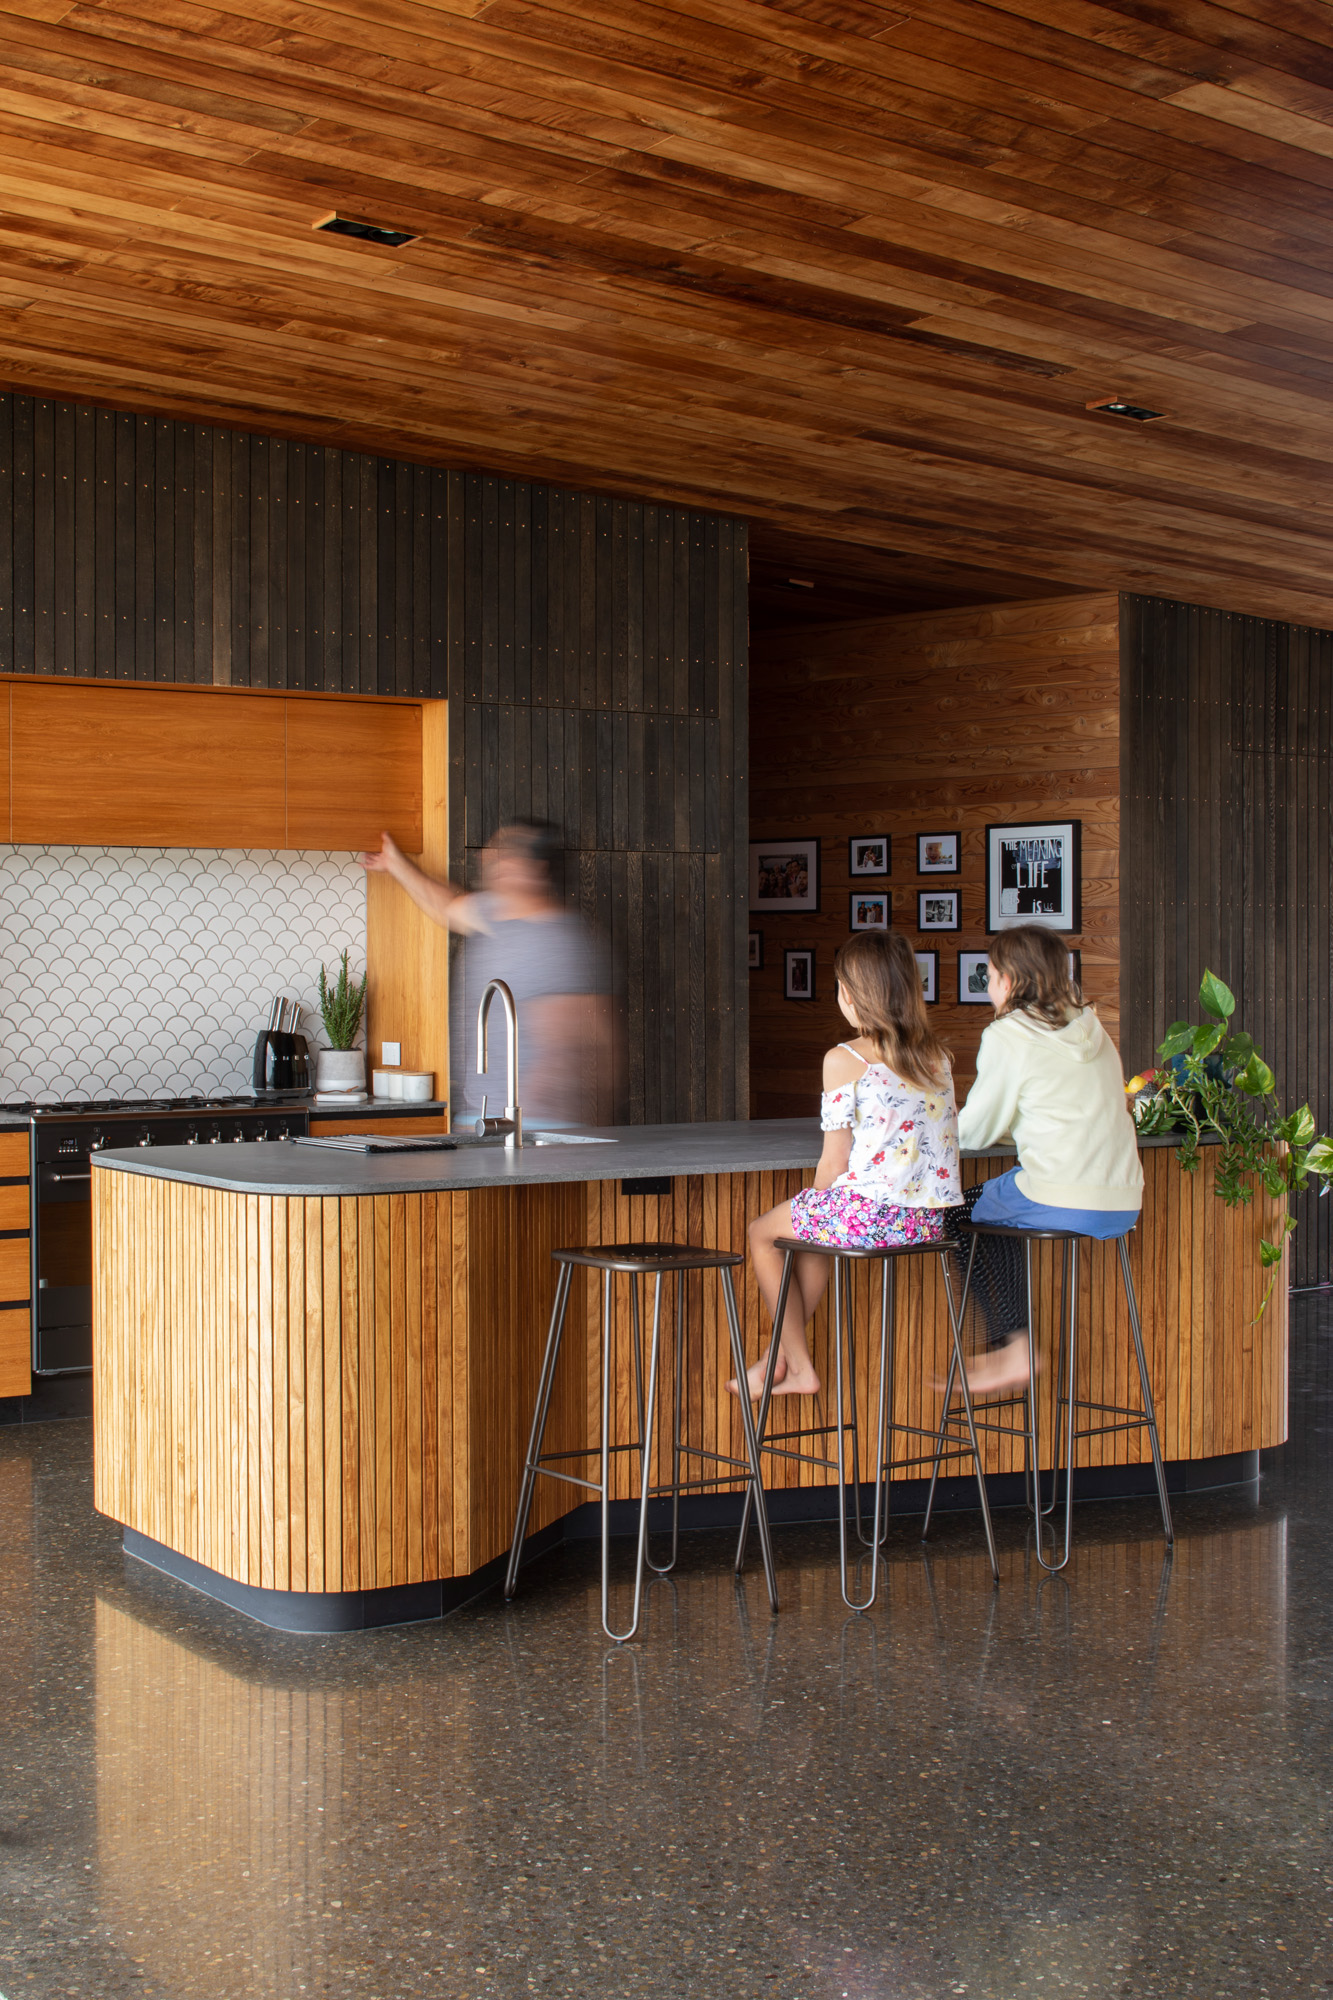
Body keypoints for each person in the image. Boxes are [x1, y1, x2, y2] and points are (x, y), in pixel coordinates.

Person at [732, 931, 962, 1401]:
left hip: (872, 1217)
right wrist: (817, 1212)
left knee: (763, 1232)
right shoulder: (937, 1057)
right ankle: (776, 1358)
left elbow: (833, 1162)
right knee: (815, 1231)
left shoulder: (844, 1058)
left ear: (850, 995)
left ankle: (798, 1367)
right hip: (927, 1224)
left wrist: (817, 1202)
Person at [947, 925, 1143, 1396]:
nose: (988, 986)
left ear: (1009, 980)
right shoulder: (1092, 1027)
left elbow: (975, 1131)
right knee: (996, 1210)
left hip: (1060, 1194)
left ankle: (1014, 1346)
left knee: (958, 1211)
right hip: (1123, 1199)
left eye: (990, 975)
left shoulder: (1009, 1033)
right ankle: (1013, 1346)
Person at [359, 820, 616, 1126]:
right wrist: (396, 863)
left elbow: (573, 1046)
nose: (491, 858)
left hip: (536, 1126)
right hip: (485, 1119)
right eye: (494, 851)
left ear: (538, 868)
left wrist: (524, 1126)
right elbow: (447, 908)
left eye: (507, 852)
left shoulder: (556, 940)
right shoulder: (494, 915)